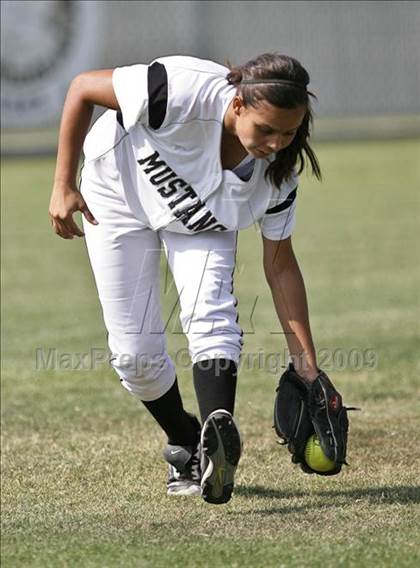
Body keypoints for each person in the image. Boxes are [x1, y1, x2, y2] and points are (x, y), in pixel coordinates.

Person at [48, 52, 346, 505]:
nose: (276, 143)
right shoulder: (181, 90)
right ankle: (188, 440)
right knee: (134, 357)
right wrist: (63, 182)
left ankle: (217, 437)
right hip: (117, 196)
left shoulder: (278, 175)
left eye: (289, 132)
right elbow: (83, 88)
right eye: (266, 129)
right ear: (238, 105)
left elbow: (280, 264)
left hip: (202, 222)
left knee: (212, 315)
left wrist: (306, 364)